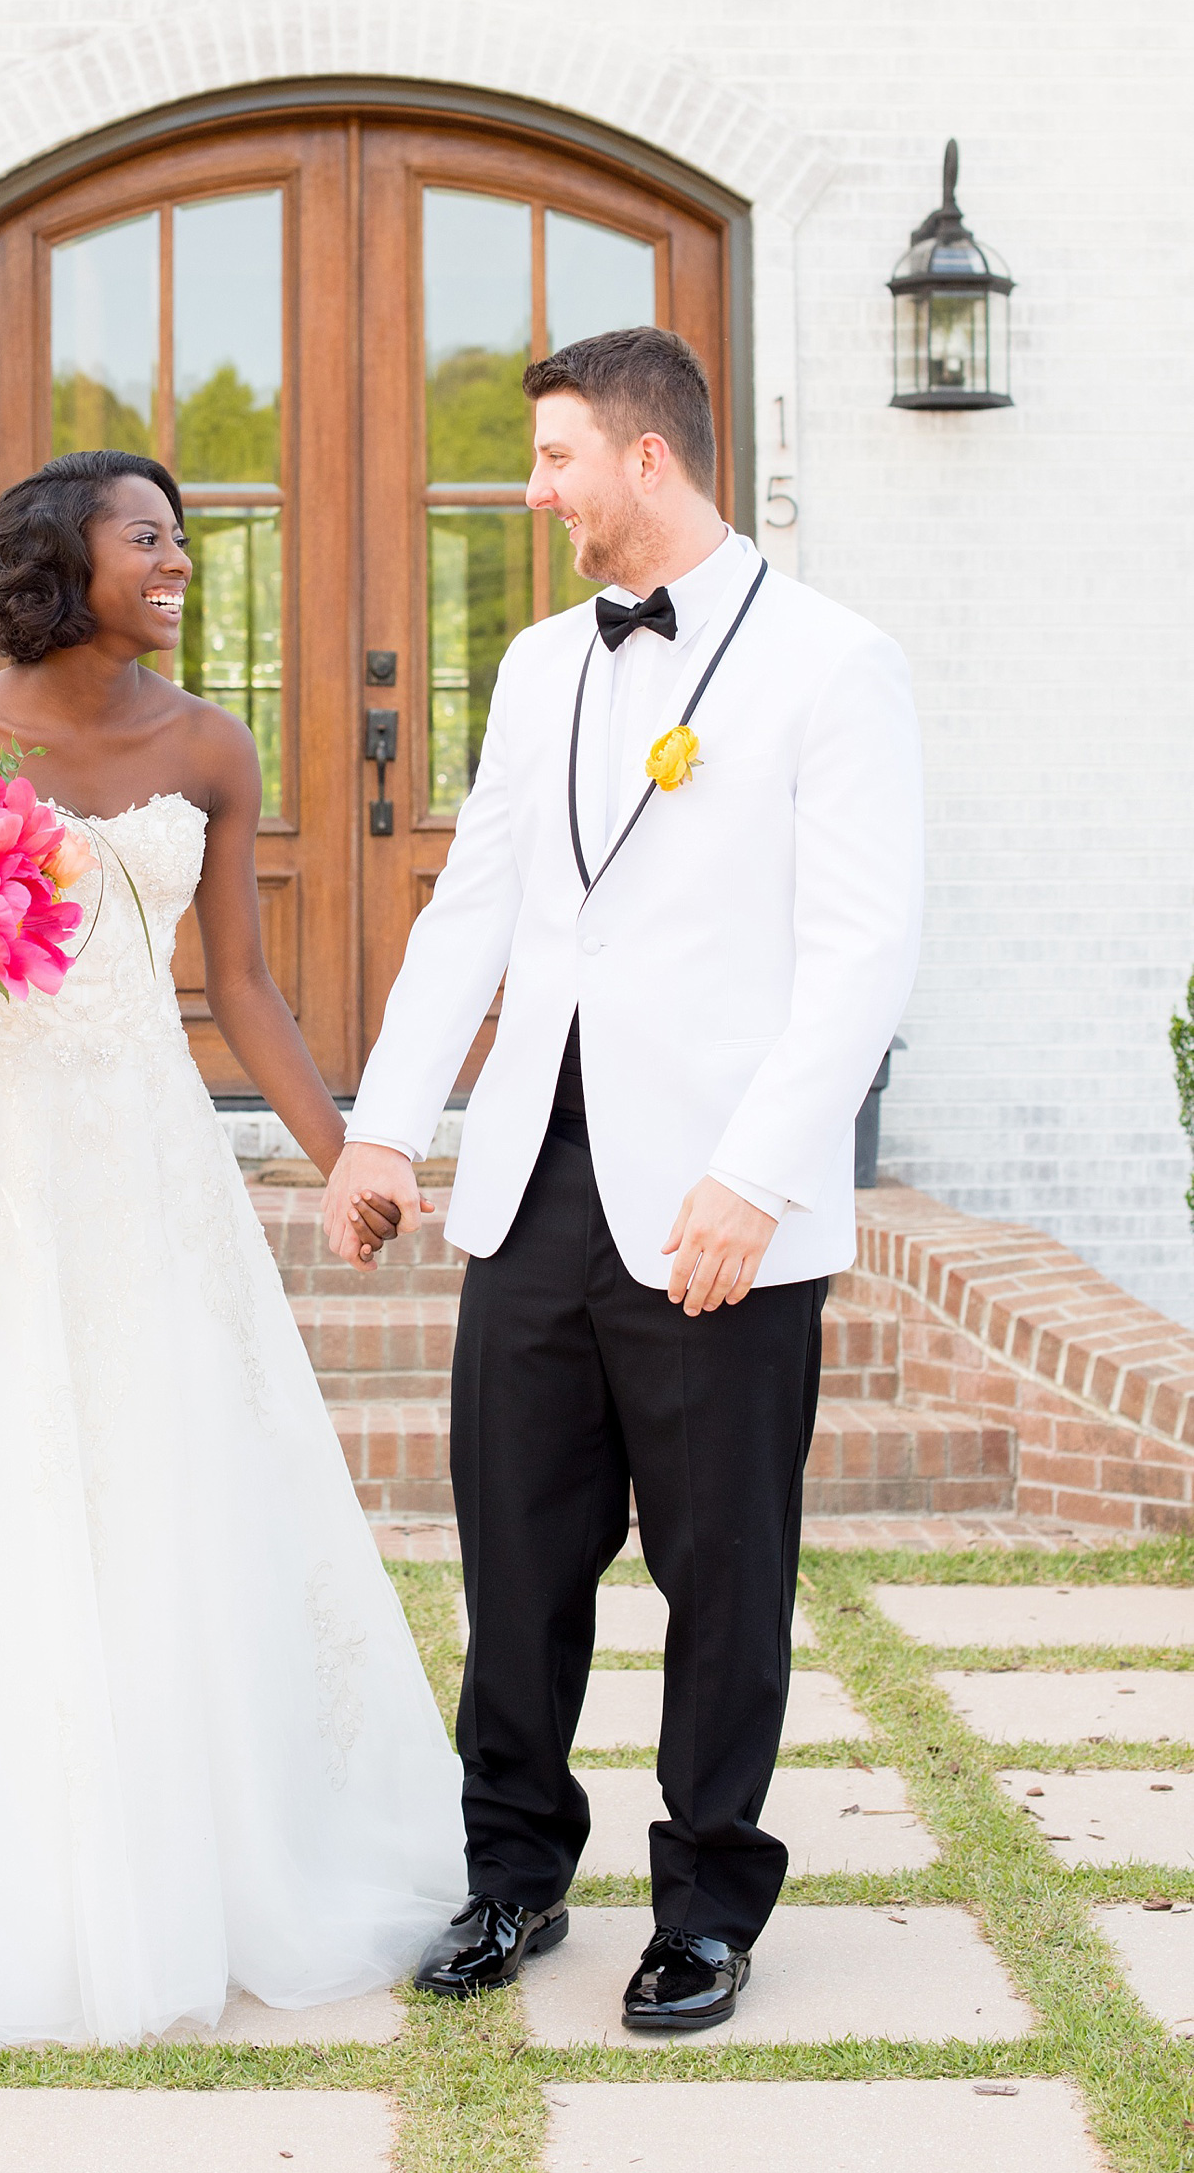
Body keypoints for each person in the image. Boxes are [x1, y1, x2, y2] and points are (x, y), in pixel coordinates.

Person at [0, 450, 465, 2051]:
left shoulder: (210, 744)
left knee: (168, 1478)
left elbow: (241, 988)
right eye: (147, 539)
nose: (175, 562)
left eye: (180, 540)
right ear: (65, 560)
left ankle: (204, 1852)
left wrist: (352, 1159)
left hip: (143, 1166)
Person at [322, 329, 923, 2034]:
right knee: (517, 1563)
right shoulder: (534, 667)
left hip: (718, 1208)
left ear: (646, 460)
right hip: (534, 1188)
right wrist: (390, 1122)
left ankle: (709, 1908)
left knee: (724, 1571)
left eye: (557, 457)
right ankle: (512, 1878)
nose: (537, 490)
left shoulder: (833, 662)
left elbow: (863, 952)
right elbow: (478, 910)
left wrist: (757, 1174)